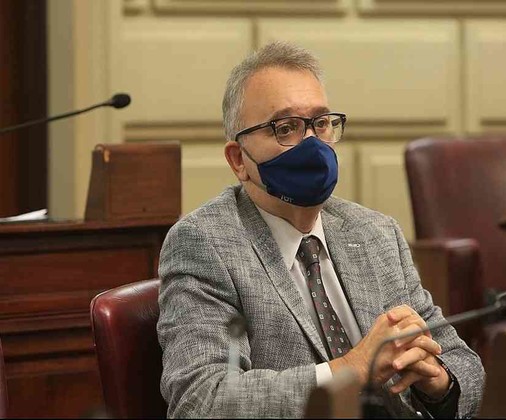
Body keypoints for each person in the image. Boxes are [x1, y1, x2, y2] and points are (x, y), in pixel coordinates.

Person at [157, 41, 485, 418]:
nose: (312, 143)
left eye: (321, 123)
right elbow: (202, 400)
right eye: (286, 128)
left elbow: (466, 369)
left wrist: (438, 383)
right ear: (238, 160)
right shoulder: (205, 243)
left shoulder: (375, 233)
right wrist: (352, 370)